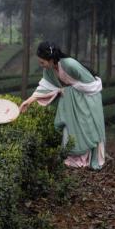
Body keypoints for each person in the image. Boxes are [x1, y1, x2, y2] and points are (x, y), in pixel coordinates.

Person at [19, 41, 105, 169]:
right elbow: (45, 86)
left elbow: (91, 85)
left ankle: (89, 159)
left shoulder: (69, 64)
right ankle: (73, 159)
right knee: (69, 127)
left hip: (87, 99)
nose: (41, 65)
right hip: (72, 103)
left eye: (43, 62)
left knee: (88, 126)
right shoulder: (49, 70)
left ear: (51, 59)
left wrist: (69, 91)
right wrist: (28, 101)